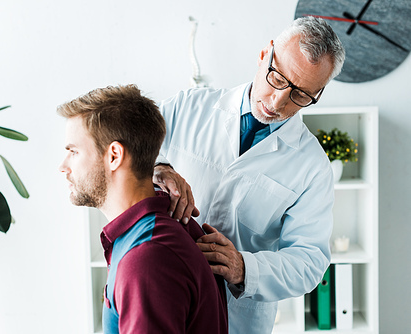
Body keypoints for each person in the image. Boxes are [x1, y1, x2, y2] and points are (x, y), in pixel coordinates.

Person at [153, 17, 345, 334]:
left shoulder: (312, 167)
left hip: (237, 317)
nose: (278, 101)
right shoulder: (189, 106)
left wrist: (245, 267)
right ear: (264, 55)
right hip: (163, 289)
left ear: (318, 95)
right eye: (277, 78)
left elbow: (309, 262)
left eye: (301, 95)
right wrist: (159, 167)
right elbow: (130, 146)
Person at [58, 85, 228, 334]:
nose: (63, 167)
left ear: (114, 155)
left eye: (73, 152)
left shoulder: (147, 258)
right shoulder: (158, 226)